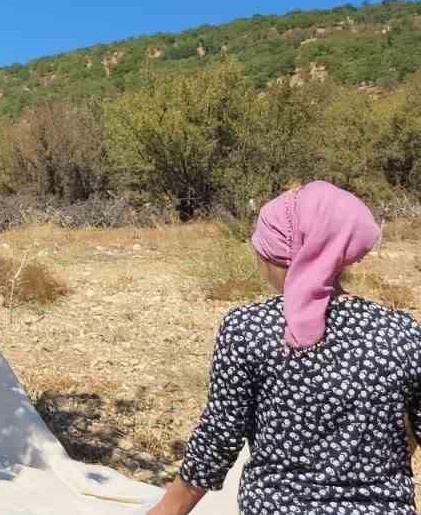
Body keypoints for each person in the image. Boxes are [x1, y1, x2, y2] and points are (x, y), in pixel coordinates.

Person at [148, 181, 421, 515]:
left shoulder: (249, 329)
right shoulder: (400, 332)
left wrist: (165, 511)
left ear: (278, 255)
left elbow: (219, 437)